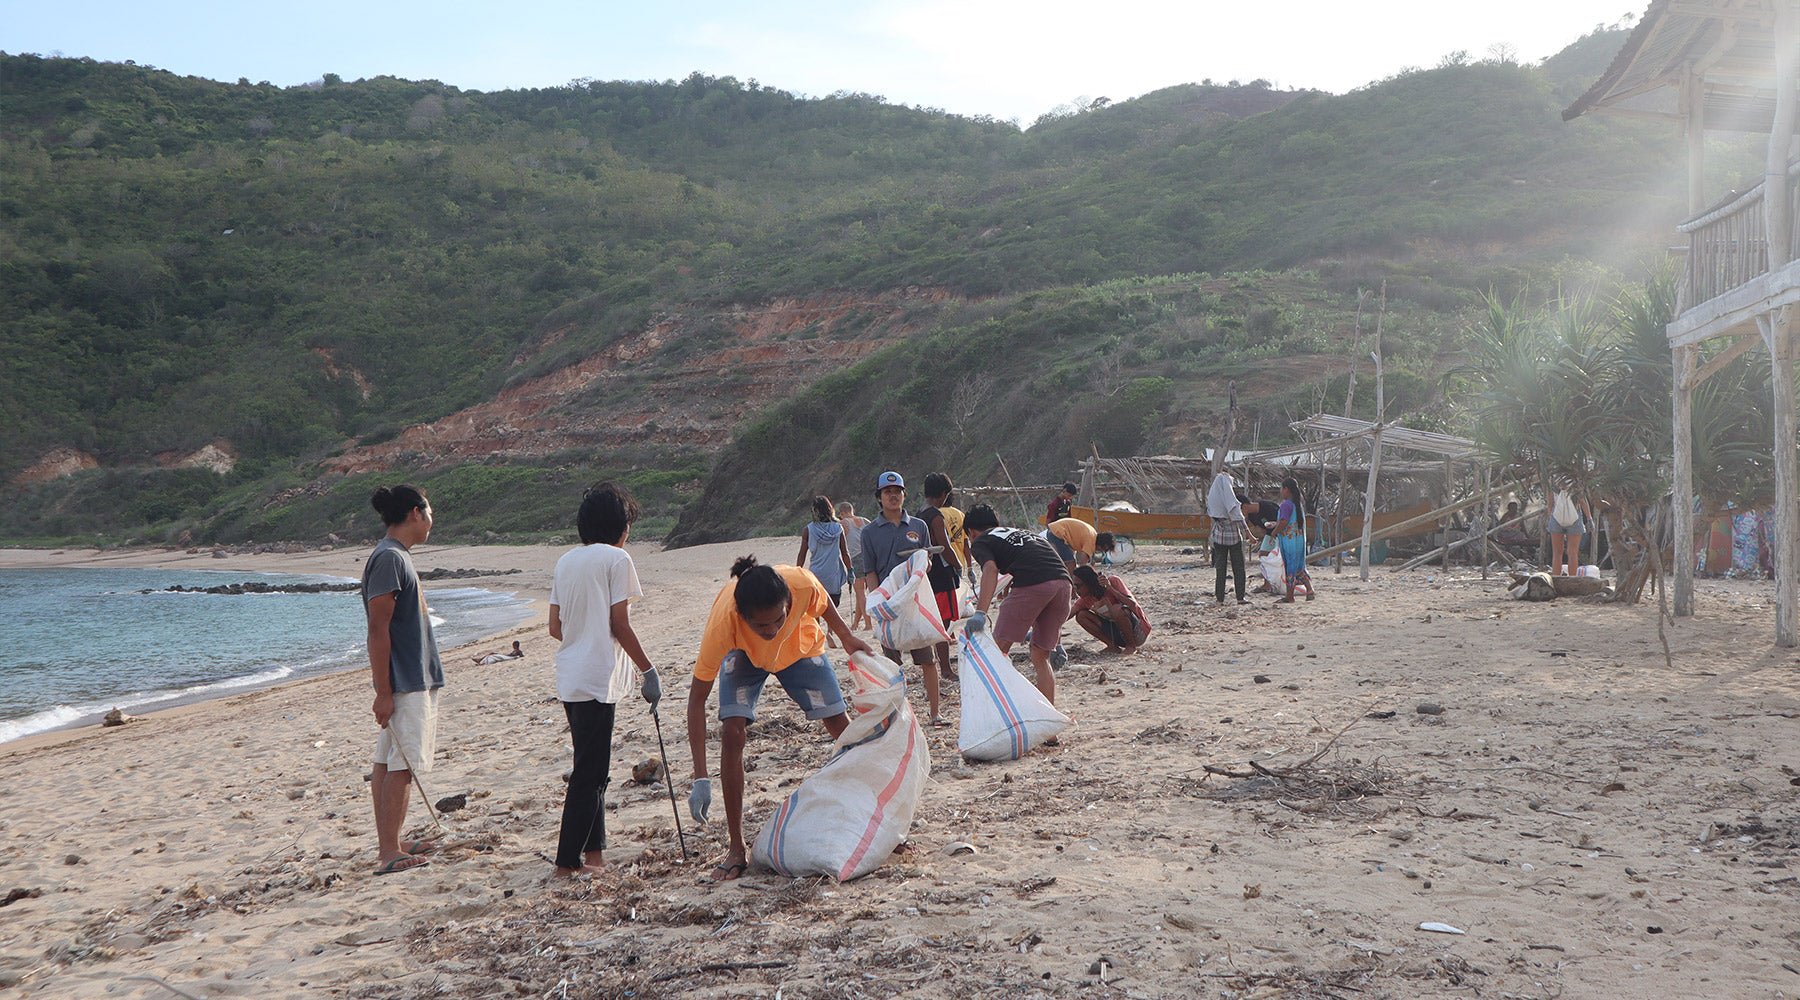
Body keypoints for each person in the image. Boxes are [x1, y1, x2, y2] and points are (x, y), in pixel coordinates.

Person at [685, 556, 871, 881]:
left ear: (788, 603)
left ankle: (874, 819)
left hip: (800, 648)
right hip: (744, 656)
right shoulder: (724, 623)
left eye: (777, 620)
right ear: (743, 617)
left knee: (841, 725)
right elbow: (697, 700)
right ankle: (735, 847)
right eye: (761, 625)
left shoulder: (800, 583)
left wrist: (845, 636)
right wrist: (701, 776)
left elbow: (823, 602)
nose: (770, 630)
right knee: (732, 732)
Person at [546, 483, 661, 878]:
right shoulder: (617, 559)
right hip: (597, 676)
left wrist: (583, 637)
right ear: (621, 526)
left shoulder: (566, 561)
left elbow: (554, 627)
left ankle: (594, 857)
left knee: (591, 767)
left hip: (570, 674)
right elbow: (619, 623)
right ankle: (566, 864)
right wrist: (648, 670)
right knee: (590, 773)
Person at [360, 485, 443, 875]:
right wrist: (383, 692)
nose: (432, 520)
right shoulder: (390, 558)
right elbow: (378, 629)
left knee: (388, 760)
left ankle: (391, 840)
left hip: (408, 677)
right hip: (404, 681)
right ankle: (389, 850)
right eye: (429, 512)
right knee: (401, 764)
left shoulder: (396, 557)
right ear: (415, 513)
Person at [963, 504, 1072, 708]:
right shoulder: (1023, 533)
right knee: (1041, 657)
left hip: (1034, 583)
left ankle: (995, 713)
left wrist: (980, 613)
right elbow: (1045, 564)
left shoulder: (981, 541)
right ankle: (1050, 730)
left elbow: (990, 570)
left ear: (970, 532)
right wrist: (1056, 640)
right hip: (1064, 585)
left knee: (996, 652)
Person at [861, 471, 945, 724]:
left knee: (928, 660)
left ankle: (935, 713)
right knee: (891, 665)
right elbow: (870, 571)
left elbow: (927, 562)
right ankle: (897, 717)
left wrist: (921, 563)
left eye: (897, 491)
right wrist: (877, 604)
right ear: (879, 498)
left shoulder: (918, 525)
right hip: (889, 604)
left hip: (915, 602)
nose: (893, 496)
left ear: (904, 494)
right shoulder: (869, 532)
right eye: (887, 492)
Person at [917, 473, 963, 690]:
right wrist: (959, 566)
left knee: (936, 621)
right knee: (943, 622)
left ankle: (939, 665)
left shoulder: (919, 513)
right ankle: (945, 668)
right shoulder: (935, 516)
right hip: (941, 575)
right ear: (944, 494)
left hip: (927, 573)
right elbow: (944, 547)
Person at [796, 495, 853, 645]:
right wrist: (850, 571)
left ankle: (819, 633)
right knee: (832, 604)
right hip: (833, 574)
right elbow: (845, 552)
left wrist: (797, 572)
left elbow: (802, 555)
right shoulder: (838, 528)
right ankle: (829, 632)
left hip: (815, 575)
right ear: (830, 510)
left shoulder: (808, 530)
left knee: (815, 606)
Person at [1070, 565, 1151, 653]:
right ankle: (1112, 646)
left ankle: (1131, 646)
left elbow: (1132, 604)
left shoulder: (1113, 581)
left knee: (1117, 609)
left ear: (1088, 583)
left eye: (1078, 586)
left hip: (1137, 631)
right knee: (1081, 615)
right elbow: (1068, 614)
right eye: (1074, 587)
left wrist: (1110, 589)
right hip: (1117, 634)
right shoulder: (1085, 599)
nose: (1076, 590)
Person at [1206, 473, 1251, 604]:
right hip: (1234, 538)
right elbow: (1239, 517)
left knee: (1220, 569)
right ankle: (1240, 597)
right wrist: (1250, 535)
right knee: (1239, 568)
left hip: (1219, 538)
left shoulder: (1213, 499)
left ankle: (1220, 599)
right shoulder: (1230, 499)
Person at [1271, 477, 1315, 603]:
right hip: (1299, 541)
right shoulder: (1298, 505)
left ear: (1286, 489)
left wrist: (1274, 532)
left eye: (1281, 488)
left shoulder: (1286, 505)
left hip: (1289, 542)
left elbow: (1284, 522)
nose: (1280, 491)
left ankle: (1290, 596)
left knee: (1290, 567)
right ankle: (1309, 589)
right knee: (1299, 567)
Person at [838, 501, 872, 631]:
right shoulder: (865, 521)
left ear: (841, 514)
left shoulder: (844, 524)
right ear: (852, 510)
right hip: (868, 557)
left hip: (855, 558)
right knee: (861, 593)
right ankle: (856, 624)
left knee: (860, 592)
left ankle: (868, 624)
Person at [1548, 487, 1592, 576]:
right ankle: (1572, 579)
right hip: (1574, 518)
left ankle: (1556, 579)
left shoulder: (1552, 481)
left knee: (1557, 553)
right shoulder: (1574, 480)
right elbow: (1583, 502)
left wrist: (1551, 519)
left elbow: (1550, 503)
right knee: (1572, 553)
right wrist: (1589, 518)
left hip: (1556, 518)